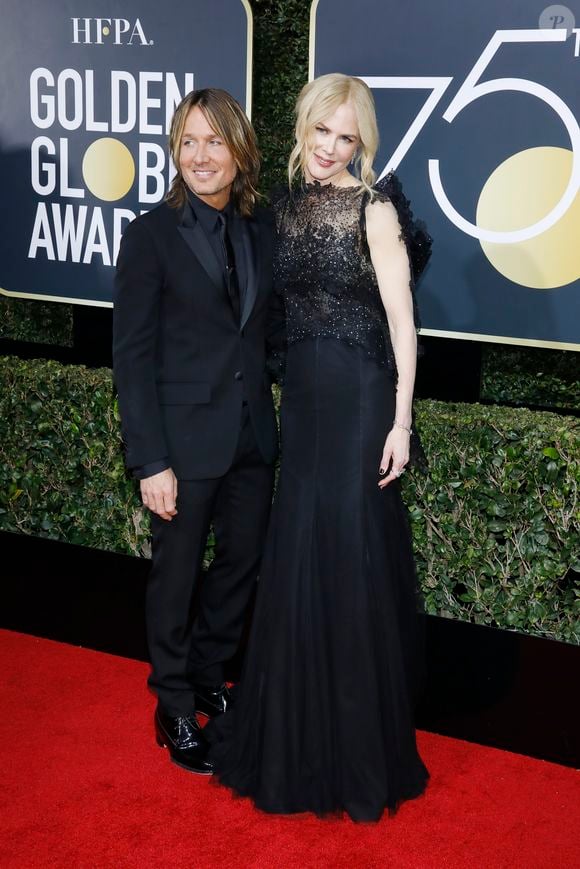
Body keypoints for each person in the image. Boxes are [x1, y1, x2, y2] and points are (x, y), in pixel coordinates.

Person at [207, 73, 430, 820]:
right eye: (323, 132)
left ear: (362, 142)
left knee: (350, 554)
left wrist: (401, 423)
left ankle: (356, 754)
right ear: (303, 127)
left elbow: (403, 324)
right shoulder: (282, 211)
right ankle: (295, 745)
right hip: (301, 401)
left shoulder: (375, 211)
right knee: (297, 553)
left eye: (348, 137)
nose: (332, 148)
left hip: (362, 399)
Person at [113, 89, 278, 774]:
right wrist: (150, 459)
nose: (200, 156)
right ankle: (174, 703)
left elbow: (264, 335)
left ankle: (210, 673)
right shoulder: (151, 234)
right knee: (175, 577)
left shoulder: (261, 225)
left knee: (241, 563)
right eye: (188, 142)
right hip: (181, 445)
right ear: (174, 150)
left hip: (251, 439)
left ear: (240, 150)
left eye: (214, 142)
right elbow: (133, 354)